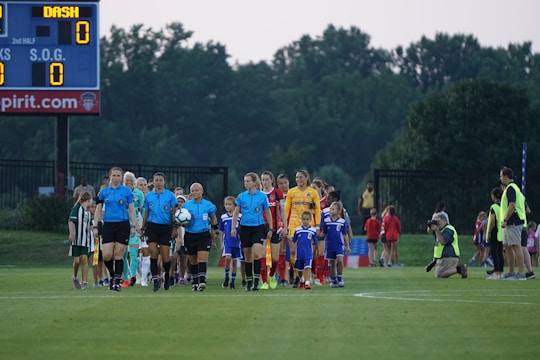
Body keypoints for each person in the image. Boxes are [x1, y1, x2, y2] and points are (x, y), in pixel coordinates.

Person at [93, 167, 140, 292]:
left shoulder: (126, 192)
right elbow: (98, 209)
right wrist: (95, 226)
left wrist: (133, 225)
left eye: (118, 176)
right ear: (110, 177)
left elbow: (131, 209)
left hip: (123, 225)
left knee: (119, 255)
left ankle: (117, 282)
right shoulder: (103, 192)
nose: (116, 178)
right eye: (114, 175)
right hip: (108, 225)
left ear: (121, 178)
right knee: (107, 255)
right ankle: (113, 275)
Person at [232, 172, 273, 291]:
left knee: (256, 254)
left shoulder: (262, 196)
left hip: (258, 227)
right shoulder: (241, 196)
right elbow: (236, 212)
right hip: (245, 228)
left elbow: (268, 212)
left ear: (254, 182)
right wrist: (233, 227)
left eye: (248, 181)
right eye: (244, 181)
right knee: (248, 256)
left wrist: (270, 228)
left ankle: (256, 282)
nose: (246, 183)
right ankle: (249, 282)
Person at [140, 172, 177, 292]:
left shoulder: (170, 196)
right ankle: (156, 280)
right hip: (152, 227)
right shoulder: (149, 196)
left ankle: (166, 275)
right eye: (156, 180)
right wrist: (142, 228)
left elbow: (174, 213)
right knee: (154, 254)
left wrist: (175, 227)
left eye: (160, 180)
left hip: (165, 228)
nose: (158, 182)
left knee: (166, 258)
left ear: (164, 182)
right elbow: (146, 213)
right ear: (153, 182)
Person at [285, 170, 321, 285]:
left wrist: (318, 225)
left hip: (308, 226)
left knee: (307, 252)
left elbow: (317, 210)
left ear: (306, 178)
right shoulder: (291, 192)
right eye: (296, 177)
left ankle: (305, 278)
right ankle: (297, 276)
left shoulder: (313, 192)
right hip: (293, 224)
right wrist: (284, 224)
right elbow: (286, 209)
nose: (298, 179)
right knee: (293, 251)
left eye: (301, 177)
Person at [183, 182, 219, 292]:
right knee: (193, 261)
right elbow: (182, 221)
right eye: (192, 191)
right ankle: (195, 282)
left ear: (202, 191)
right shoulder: (186, 205)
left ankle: (202, 281)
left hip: (204, 234)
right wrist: (182, 222)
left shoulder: (208, 205)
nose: (194, 192)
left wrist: (216, 230)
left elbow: (213, 218)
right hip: (190, 235)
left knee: (202, 258)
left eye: (196, 190)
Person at [260, 170, 287, 290]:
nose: (264, 182)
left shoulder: (278, 193)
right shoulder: (259, 195)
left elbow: (282, 211)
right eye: (262, 180)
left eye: (266, 179)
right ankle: (264, 282)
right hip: (261, 228)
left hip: (275, 228)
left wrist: (285, 226)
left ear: (272, 180)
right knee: (262, 256)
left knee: (275, 258)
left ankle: (272, 276)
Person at [499, 166, 526, 280]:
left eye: (501, 176)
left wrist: (505, 219)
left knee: (516, 246)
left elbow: (512, 205)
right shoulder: (513, 188)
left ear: (506, 176)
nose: (500, 178)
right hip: (509, 222)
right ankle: (511, 272)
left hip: (513, 221)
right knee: (507, 246)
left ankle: (520, 273)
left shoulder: (511, 188)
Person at [428, 212, 467, 278]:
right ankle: (460, 269)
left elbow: (443, 242)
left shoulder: (448, 229)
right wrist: (430, 226)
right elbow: (429, 232)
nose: (436, 223)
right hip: (443, 256)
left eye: (438, 221)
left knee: (439, 275)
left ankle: (460, 269)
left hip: (450, 255)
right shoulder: (440, 229)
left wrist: (437, 230)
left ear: (445, 221)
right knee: (438, 274)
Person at [320, 201, 350, 287]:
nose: (330, 210)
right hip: (329, 246)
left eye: (332, 209)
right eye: (330, 209)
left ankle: (340, 277)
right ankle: (333, 280)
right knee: (332, 263)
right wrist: (318, 236)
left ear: (338, 211)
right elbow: (324, 233)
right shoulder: (326, 220)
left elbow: (345, 234)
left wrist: (347, 246)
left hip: (339, 245)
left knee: (340, 261)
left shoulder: (341, 222)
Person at [122, 171, 144, 287]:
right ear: (123, 182)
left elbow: (142, 210)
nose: (129, 183)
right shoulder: (120, 193)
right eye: (127, 181)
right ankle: (125, 278)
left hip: (135, 226)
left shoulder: (139, 194)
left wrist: (142, 225)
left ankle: (133, 276)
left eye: (131, 181)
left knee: (134, 253)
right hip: (122, 226)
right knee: (123, 254)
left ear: (134, 182)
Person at [68, 191, 93, 290]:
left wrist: (95, 230)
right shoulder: (76, 209)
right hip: (76, 240)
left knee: (84, 259)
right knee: (77, 260)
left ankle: (85, 282)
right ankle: (74, 277)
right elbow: (71, 221)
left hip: (85, 241)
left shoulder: (87, 212)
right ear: (88, 200)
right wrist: (71, 234)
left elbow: (90, 225)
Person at [219, 196, 243, 289]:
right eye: (226, 204)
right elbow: (222, 231)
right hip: (227, 242)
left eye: (230, 204)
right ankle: (226, 277)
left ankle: (232, 281)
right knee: (228, 258)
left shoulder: (239, 216)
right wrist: (221, 243)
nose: (228, 206)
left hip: (237, 242)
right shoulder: (223, 217)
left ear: (234, 205)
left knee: (234, 261)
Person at [291, 211, 317, 289]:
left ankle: (307, 283)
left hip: (308, 253)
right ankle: (302, 280)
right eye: (304, 219)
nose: (305, 221)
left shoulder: (313, 230)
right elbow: (294, 240)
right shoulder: (298, 230)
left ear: (310, 220)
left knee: (308, 267)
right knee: (299, 269)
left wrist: (316, 251)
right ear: (301, 219)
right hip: (299, 254)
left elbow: (315, 242)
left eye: (307, 219)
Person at [485, 187, 504, 280]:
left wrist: (488, 233)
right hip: (503, 232)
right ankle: (500, 272)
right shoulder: (504, 205)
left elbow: (492, 221)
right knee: (500, 252)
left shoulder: (494, 207)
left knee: (494, 252)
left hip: (495, 231)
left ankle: (496, 272)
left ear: (494, 196)